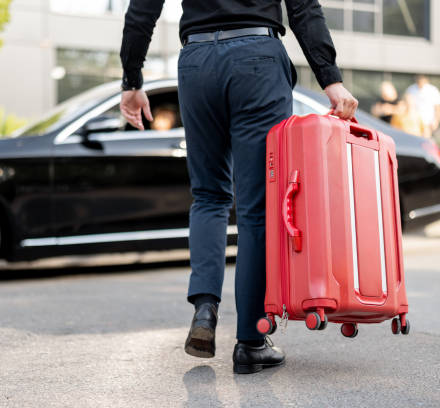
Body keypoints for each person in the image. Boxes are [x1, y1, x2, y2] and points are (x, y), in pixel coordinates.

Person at [119, 0, 357, 374]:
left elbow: (142, 9)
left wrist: (132, 79)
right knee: (257, 207)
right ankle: (250, 340)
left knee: (209, 196)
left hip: (196, 61)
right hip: (256, 59)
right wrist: (331, 78)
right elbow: (303, 8)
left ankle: (204, 309)